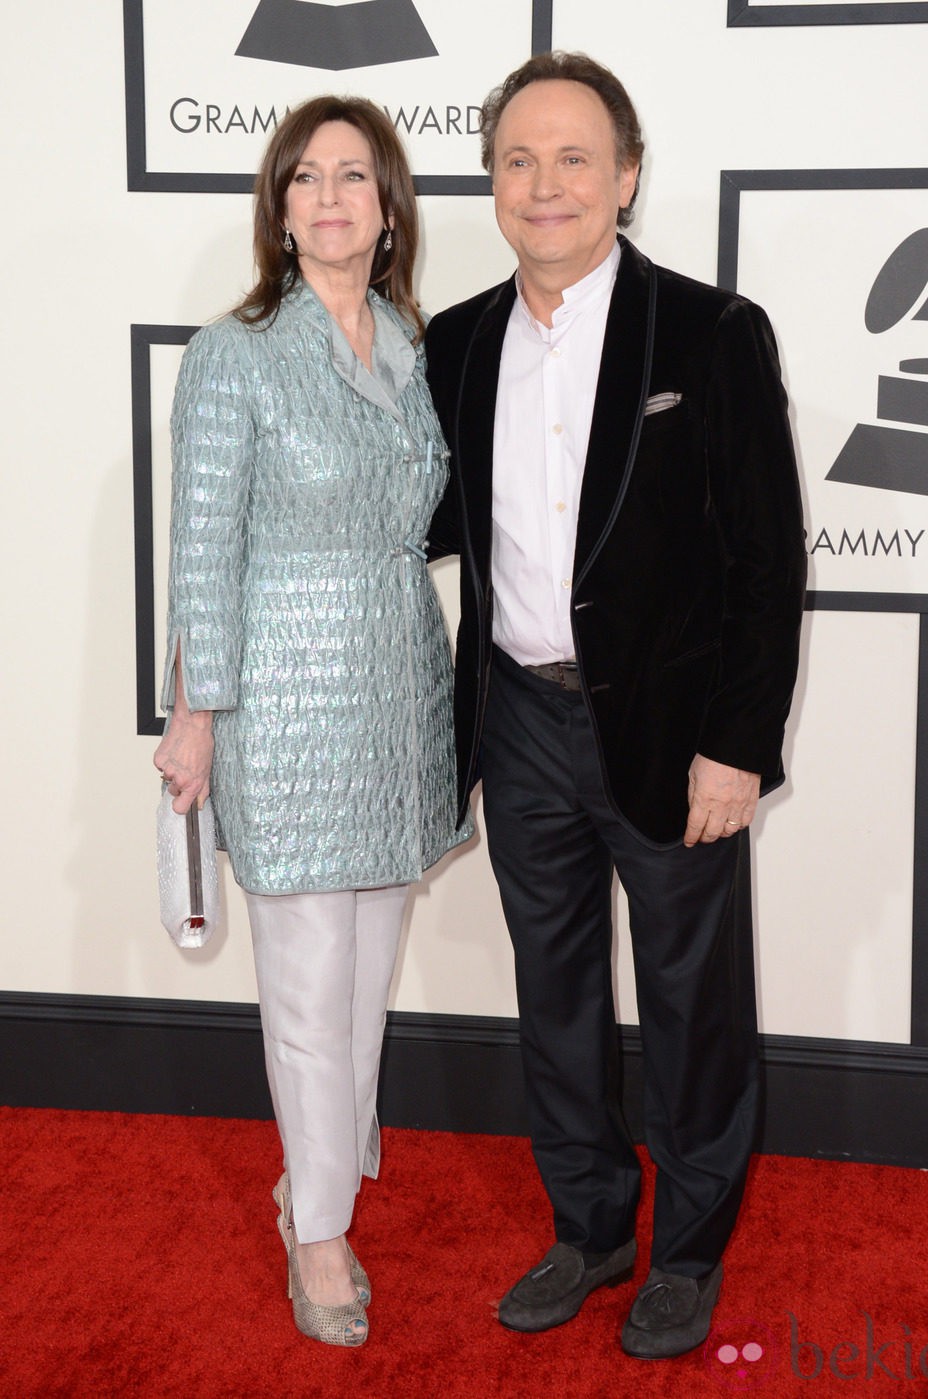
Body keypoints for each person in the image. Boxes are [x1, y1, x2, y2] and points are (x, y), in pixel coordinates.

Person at [425, 52, 806, 1360]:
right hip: (520, 721)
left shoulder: (710, 332)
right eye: (519, 160)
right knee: (559, 992)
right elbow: (414, 516)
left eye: (574, 157)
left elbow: (768, 560)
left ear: (626, 176)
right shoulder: (459, 340)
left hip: (673, 730)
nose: (546, 185)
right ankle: (588, 1225)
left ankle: (688, 1248)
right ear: (492, 182)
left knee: (696, 1003)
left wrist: (737, 747)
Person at [153, 95, 471, 1348]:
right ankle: (322, 1231)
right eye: (305, 179)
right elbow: (201, 551)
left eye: (354, 176)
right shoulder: (233, 351)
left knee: (364, 989)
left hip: (398, 691)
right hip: (282, 696)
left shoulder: (412, 341)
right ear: (278, 210)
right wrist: (197, 718)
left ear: (388, 205)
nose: (331, 198)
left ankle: (316, 1174)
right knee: (304, 988)